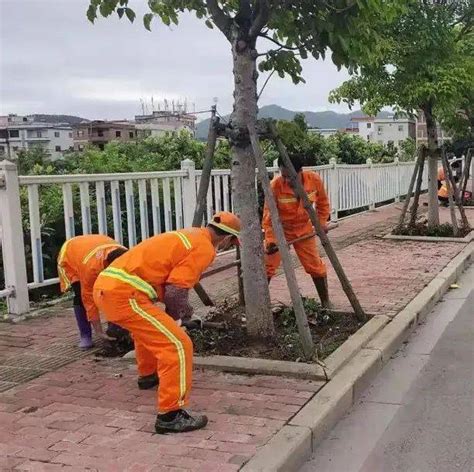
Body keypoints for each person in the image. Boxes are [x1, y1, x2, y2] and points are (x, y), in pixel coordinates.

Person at [93, 211, 240, 434]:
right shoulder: (205, 248)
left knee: (151, 332)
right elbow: (176, 290)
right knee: (178, 345)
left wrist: (179, 315)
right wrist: (180, 318)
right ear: (228, 239)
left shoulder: (190, 234)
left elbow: (169, 284)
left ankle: (148, 376)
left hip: (109, 288)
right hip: (125, 295)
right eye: (231, 243)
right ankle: (170, 415)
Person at [263, 154, 331, 308]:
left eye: (290, 176)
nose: (286, 180)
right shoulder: (275, 186)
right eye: (283, 175)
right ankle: (260, 306)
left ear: (300, 171)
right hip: (281, 231)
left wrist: (321, 224)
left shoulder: (313, 180)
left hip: (303, 230)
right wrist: (272, 240)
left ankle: (326, 302)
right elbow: (268, 218)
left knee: (314, 265)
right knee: (267, 266)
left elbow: (323, 204)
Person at [57, 234, 128, 349]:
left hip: (94, 245)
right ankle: (85, 335)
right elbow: (89, 300)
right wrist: (99, 331)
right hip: (71, 254)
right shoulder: (91, 269)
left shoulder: (127, 258)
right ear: (107, 267)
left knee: (114, 292)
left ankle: (115, 326)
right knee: (80, 295)